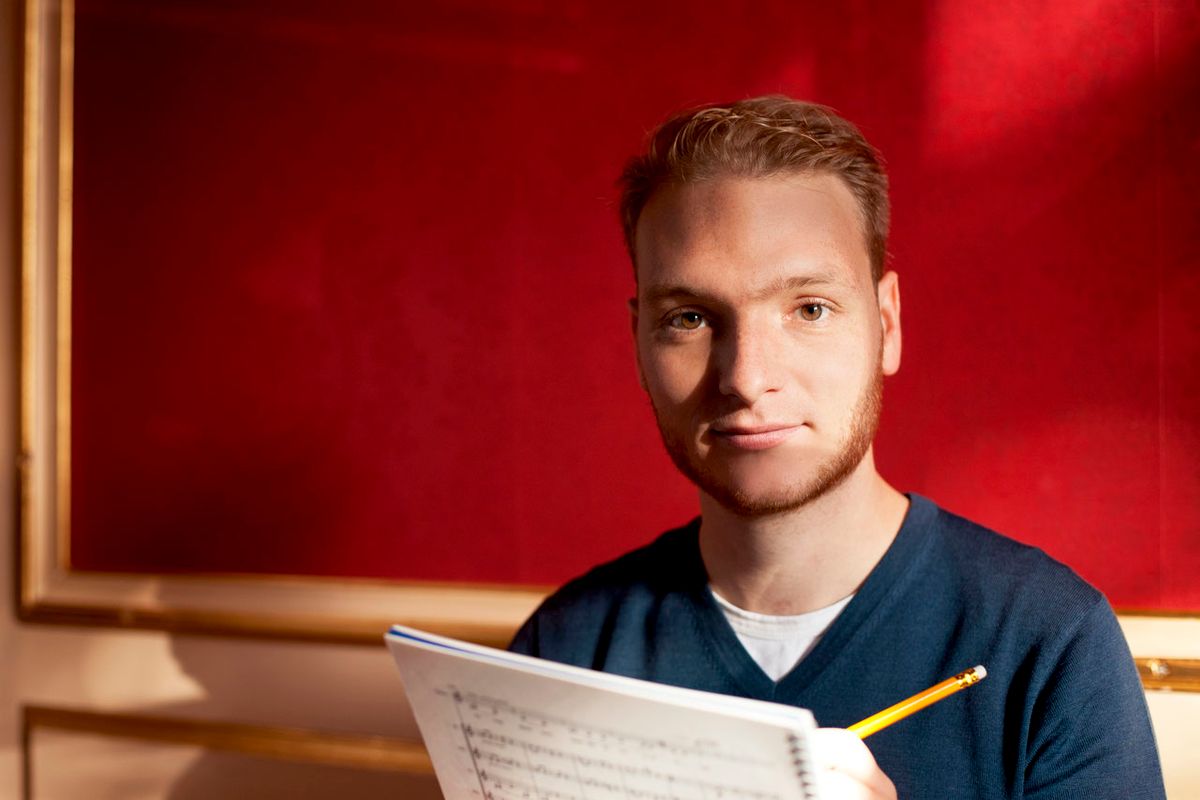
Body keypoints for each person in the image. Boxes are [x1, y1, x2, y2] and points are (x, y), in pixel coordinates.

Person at [509, 96, 1165, 799]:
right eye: (690, 318)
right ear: (639, 342)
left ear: (887, 325)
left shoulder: (1049, 641)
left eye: (809, 309)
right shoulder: (562, 651)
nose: (746, 378)